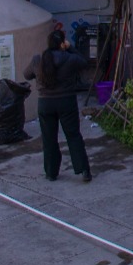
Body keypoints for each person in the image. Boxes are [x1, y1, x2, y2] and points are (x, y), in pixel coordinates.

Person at [24, 30, 92, 183]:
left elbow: (26, 75)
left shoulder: (38, 60)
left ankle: (51, 172)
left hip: (45, 103)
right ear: (62, 43)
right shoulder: (69, 58)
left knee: (49, 139)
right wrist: (70, 47)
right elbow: (83, 62)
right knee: (73, 135)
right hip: (66, 101)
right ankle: (84, 170)